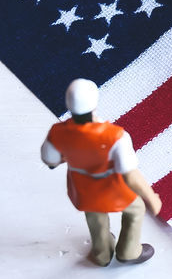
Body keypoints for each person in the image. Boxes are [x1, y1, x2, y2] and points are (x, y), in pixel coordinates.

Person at [41, 79, 163, 267]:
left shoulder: (57, 133)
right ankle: (129, 251)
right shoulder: (115, 136)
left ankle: (102, 253)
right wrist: (151, 197)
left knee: (95, 217)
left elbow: (50, 160)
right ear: (94, 103)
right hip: (112, 189)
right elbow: (130, 175)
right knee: (136, 209)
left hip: (83, 189)